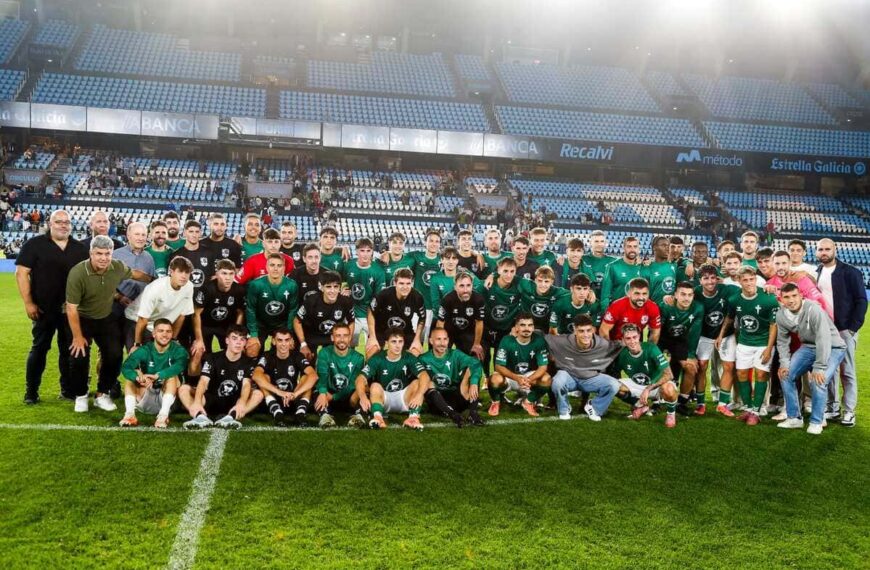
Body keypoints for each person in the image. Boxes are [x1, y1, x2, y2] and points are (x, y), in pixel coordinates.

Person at [65, 236, 152, 413]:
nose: (103, 258)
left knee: (114, 354)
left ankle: (102, 394)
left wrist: (155, 280)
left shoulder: (116, 266)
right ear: (91, 253)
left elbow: (135, 273)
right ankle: (81, 395)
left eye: (107, 253)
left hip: (105, 317)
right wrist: (78, 336)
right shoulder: (78, 272)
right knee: (78, 355)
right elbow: (71, 308)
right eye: (99, 254)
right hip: (82, 318)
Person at [15, 209, 88, 403]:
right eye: (59, 222)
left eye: (67, 222)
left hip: (71, 311)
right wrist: (29, 303)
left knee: (68, 351)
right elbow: (21, 273)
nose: (63, 225)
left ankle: (68, 391)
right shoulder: (34, 245)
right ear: (50, 223)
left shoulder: (79, 248)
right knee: (39, 349)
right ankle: (31, 392)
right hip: (43, 310)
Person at [775, 283, 847, 435]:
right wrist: (784, 364)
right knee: (786, 375)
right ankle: (794, 418)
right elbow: (782, 341)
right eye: (786, 297)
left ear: (801, 295)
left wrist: (819, 367)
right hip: (808, 346)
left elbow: (823, 338)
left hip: (833, 346)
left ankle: (817, 421)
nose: (791, 300)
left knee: (818, 380)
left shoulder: (814, 309)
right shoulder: (781, 315)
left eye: (794, 295)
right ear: (781, 299)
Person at [717, 266, 778, 426]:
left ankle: (756, 411)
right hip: (744, 343)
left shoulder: (768, 298)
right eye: (745, 280)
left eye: (752, 279)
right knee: (742, 375)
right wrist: (721, 335)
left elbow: (774, 325)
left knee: (761, 375)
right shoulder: (734, 299)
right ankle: (748, 408)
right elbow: (729, 318)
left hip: (763, 344)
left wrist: (769, 349)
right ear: (739, 281)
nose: (750, 283)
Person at [815, 238, 866, 427]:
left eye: (827, 249)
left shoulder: (850, 272)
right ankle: (833, 408)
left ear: (835, 250)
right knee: (829, 371)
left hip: (845, 329)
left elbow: (861, 300)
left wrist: (853, 328)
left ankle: (849, 411)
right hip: (825, 331)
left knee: (847, 371)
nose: (824, 252)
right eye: (820, 249)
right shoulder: (818, 271)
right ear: (816, 252)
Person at [546, 314, 623, 421]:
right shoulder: (563, 341)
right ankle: (564, 408)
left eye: (588, 330)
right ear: (575, 330)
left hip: (591, 379)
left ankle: (594, 407)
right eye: (581, 331)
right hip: (569, 377)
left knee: (614, 385)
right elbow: (544, 338)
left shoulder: (602, 344)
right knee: (557, 381)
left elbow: (621, 345)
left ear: (593, 330)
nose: (586, 334)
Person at [180, 325, 254, 430]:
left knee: (258, 394)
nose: (238, 342)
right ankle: (200, 417)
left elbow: (246, 385)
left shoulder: (248, 362)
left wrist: (241, 402)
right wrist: (197, 401)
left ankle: (231, 417)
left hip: (234, 402)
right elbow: (203, 381)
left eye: (242, 339)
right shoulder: (213, 357)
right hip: (211, 399)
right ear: (227, 340)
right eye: (234, 338)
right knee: (183, 389)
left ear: (245, 343)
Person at [355, 328, 430, 430]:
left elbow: (424, 376)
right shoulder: (378, 358)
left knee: (417, 383)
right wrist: (363, 396)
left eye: (400, 341)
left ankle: (413, 419)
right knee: (374, 386)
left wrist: (419, 394)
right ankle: (378, 417)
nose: (397, 345)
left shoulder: (409, 357)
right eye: (394, 342)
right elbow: (360, 378)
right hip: (384, 399)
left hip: (404, 398)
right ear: (386, 343)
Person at [118, 318, 188, 428]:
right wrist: (137, 377)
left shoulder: (179, 351)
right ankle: (130, 415)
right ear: (154, 334)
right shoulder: (145, 350)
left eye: (168, 331)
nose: (165, 335)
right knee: (130, 378)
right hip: (146, 393)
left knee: (171, 377)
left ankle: (163, 416)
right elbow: (126, 367)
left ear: (172, 334)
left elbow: (179, 366)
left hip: (168, 399)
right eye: (161, 331)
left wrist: (158, 376)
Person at [693, 264, 740, 416]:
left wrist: (767, 288)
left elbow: (747, 288)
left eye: (713, 278)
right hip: (704, 334)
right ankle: (700, 404)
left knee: (729, 366)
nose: (710, 281)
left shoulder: (727, 289)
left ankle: (722, 404)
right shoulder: (694, 293)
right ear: (700, 280)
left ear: (718, 278)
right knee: (701, 366)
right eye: (706, 278)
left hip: (726, 334)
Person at [613, 324, 679, 428]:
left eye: (634, 337)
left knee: (669, 389)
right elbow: (615, 373)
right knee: (612, 386)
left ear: (639, 336)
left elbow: (669, 374)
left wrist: (648, 389)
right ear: (623, 340)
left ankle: (671, 413)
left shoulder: (651, 348)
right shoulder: (622, 354)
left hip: (657, 385)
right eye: (628, 338)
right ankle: (639, 405)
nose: (632, 341)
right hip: (639, 385)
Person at [250, 327, 316, 427]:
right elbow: (256, 375)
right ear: (273, 341)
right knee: (264, 377)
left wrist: (295, 394)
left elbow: (313, 376)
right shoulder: (267, 356)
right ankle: (277, 413)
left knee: (306, 377)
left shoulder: (297, 355)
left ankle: (300, 414)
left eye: (287, 340)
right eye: (280, 340)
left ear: (291, 341)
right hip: (274, 398)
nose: (284, 344)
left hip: (292, 397)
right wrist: (280, 392)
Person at [419, 327, 485, 427]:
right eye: (438, 339)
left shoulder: (455, 354)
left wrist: (474, 382)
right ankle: (453, 415)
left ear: (448, 340)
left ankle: (473, 413)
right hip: (437, 403)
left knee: (470, 371)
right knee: (427, 381)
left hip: (457, 398)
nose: (442, 343)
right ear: (431, 341)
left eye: (445, 339)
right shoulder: (423, 359)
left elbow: (476, 363)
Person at [489, 313, 551, 417]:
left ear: (533, 327)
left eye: (530, 325)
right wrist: (516, 378)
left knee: (547, 379)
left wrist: (529, 379)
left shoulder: (539, 341)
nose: (527, 328)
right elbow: (498, 366)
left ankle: (528, 401)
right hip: (510, 376)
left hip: (528, 377)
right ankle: (495, 402)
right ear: (516, 327)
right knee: (494, 379)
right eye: (523, 325)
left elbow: (543, 367)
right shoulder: (506, 340)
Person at [658, 282, 704, 414]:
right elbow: (656, 331)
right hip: (662, 339)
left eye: (689, 295)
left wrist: (690, 354)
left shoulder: (698, 308)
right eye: (683, 294)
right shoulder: (665, 306)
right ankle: (656, 401)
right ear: (675, 295)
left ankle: (682, 402)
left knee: (691, 367)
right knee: (657, 366)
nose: (686, 298)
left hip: (679, 340)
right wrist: (656, 351)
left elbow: (695, 333)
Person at [130, 256, 195, 349]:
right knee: (141, 356)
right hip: (135, 320)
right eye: (180, 272)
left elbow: (182, 315)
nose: (184, 276)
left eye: (187, 272)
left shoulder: (189, 287)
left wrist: (173, 339)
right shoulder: (156, 288)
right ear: (171, 272)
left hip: (160, 325)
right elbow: (142, 319)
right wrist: (137, 344)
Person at [112, 222, 157, 352]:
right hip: (115, 309)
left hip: (137, 312)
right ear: (128, 235)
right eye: (137, 234)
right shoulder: (115, 255)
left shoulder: (149, 258)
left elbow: (151, 284)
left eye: (143, 235)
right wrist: (119, 297)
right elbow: (105, 283)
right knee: (112, 352)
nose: (140, 238)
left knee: (135, 350)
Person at [314, 323, 368, 429]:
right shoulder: (324, 353)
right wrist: (323, 393)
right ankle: (325, 416)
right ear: (332, 337)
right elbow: (322, 377)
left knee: (362, 390)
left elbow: (354, 384)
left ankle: (358, 416)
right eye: (338, 335)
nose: (342, 339)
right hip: (328, 395)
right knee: (317, 391)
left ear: (350, 337)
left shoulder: (359, 358)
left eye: (345, 335)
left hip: (348, 397)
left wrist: (334, 397)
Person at [245, 254, 299, 357]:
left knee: (288, 349)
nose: (275, 268)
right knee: (252, 350)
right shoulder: (256, 284)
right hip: (261, 325)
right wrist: (253, 334)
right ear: (266, 267)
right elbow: (250, 309)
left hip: (281, 325)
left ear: (284, 268)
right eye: (272, 265)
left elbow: (292, 310)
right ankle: (254, 371)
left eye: (279, 266)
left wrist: (289, 333)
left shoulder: (292, 285)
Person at [294, 270, 354, 360]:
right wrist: (303, 344)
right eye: (328, 287)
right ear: (321, 287)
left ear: (340, 288)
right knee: (307, 360)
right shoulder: (311, 301)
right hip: (312, 334)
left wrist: (348, 340)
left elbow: (351, 322)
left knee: (335, 361)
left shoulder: (346, 301)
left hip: (332, 336)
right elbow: (297, 321)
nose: (332, 291)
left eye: (336, 287)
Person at [366, 267, 425, 358]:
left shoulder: (417, 297)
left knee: (416, 352)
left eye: (408, 283)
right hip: (382, 330)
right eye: (401, 283)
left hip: (405, 331)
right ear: (395, 283)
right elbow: (371, 311)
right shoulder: (384, 294)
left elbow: (422, 318)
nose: (405, 287)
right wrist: (372, 337)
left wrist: (417, 339)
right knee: (371, 351)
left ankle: (405, 372)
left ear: (412, 283)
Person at [344, 238, 386, 347]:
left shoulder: (378, 271)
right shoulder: (349, 265)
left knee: (373, 348)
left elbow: (378, 298)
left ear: (372, 252)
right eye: (362, 250)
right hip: (351, 314)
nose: (365, 254)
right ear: (356, 251)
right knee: (348, 347)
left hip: (370, 315)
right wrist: (343, 289)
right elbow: (342, 283)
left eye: (368, 251)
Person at [436, 271, 486, 360]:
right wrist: (441, 342)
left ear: (472, 286)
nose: (466, 290)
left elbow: (479, 323)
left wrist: (476, 344)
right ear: (455, 287)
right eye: (461, 286)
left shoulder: (478, 300)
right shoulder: (447, 299)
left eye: (468, 285)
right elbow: (440, 323)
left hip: (467, 332)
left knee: (476, 354)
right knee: (440, 354)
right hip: (449, 332)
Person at [599, 278, 662, 343]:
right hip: (617, 343)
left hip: (636, 342)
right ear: (629, 293)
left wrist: (649, 350)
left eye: (644, 294)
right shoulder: (617, 306)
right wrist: (609, 350)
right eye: (637, 293)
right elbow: (604, 330)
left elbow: (655, 333)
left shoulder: (653, 307)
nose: (641, 297)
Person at [517, 265, 569, 333]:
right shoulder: (526, 285)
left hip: (546, 328)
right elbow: (514, 279)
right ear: (535, 280)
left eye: (546, 281)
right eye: (540, 280)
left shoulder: (557, 292)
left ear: (552, 282)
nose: (543, 284)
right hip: (526, 326)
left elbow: (574, 293)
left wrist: (588, 294)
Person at [171, 220, 215, 291]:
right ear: (185, 233)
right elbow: (172, 279)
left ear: (200, 233)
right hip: (183, 296)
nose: (194, 235)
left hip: (204, 297)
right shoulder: (176, 255)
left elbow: (213, 276)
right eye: (191, 231)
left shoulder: (209, 253)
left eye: (197, 232)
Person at [600, 236, 643, 308]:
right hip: (618, 312)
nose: (632, 249)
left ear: (638, 249)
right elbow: (605, 296)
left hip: (637, 312)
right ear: (624, 248)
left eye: (635, 246)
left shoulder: (643, 267)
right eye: (629, 246)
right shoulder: (613, 267)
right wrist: (606, 313)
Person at [643, 235, 677, 305]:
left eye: (668, 245)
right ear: (654, 248)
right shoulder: (646, 267)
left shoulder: (674, 266)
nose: (667, 248)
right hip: (654, 310)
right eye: (663, 245)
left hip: (671, 311)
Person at [580, 230, 615, 297]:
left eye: (602, 241)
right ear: (590, 243)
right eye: (596, 241)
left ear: (605, 243)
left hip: (607, 300)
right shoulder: (582, 259)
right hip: (586, 299)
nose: (599, 244)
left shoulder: (613, 261)